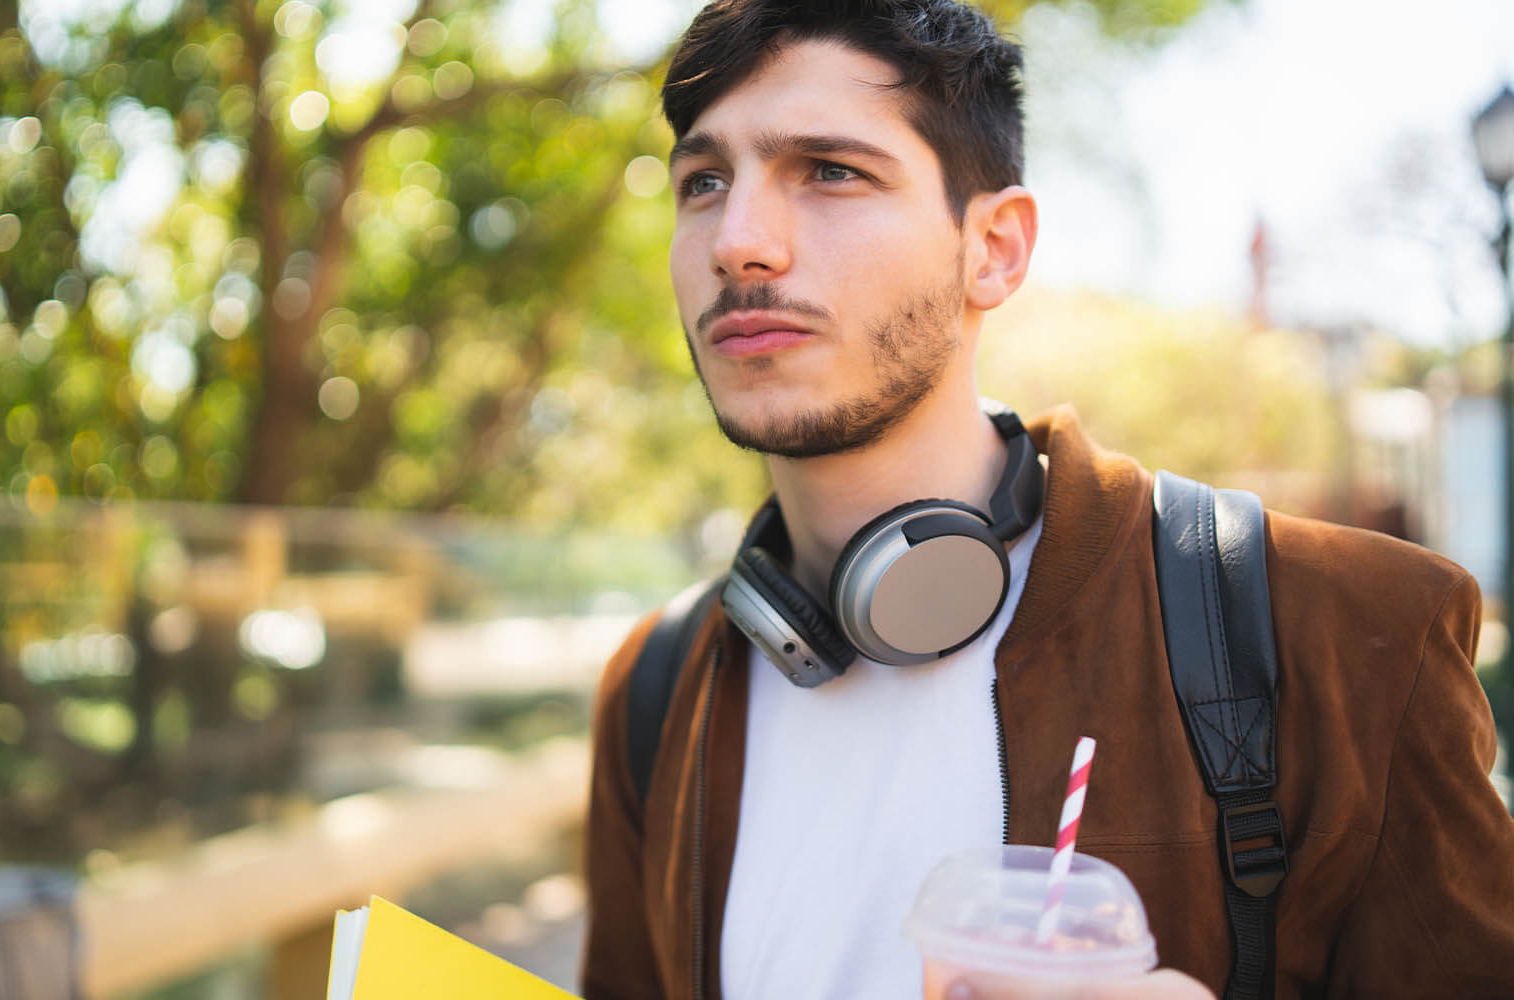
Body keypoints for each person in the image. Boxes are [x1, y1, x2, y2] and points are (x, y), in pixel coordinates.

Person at [579, 1, 1514, 998]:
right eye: (703, 181)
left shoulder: (1346, 628)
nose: (739, 241)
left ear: (994, 249)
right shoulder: (656, 686)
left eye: (831, 171)